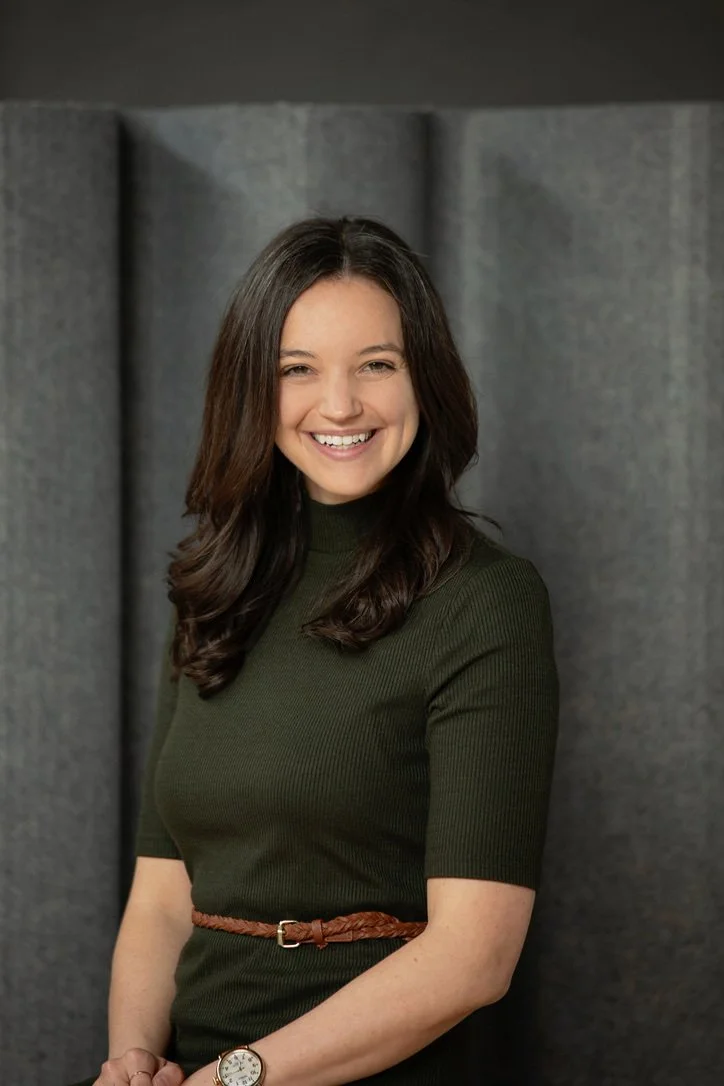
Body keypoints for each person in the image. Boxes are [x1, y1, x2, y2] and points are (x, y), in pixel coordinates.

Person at [69, 215, 559, 1086]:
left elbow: (474, 958)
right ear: (253, 389)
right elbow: (161, 897)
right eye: (297, 369)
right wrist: (134, 1060)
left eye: (377, 364)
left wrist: (234, 1079)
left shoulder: (488, 600)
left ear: (426, 378)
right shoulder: (213, 589)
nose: (339, 406)